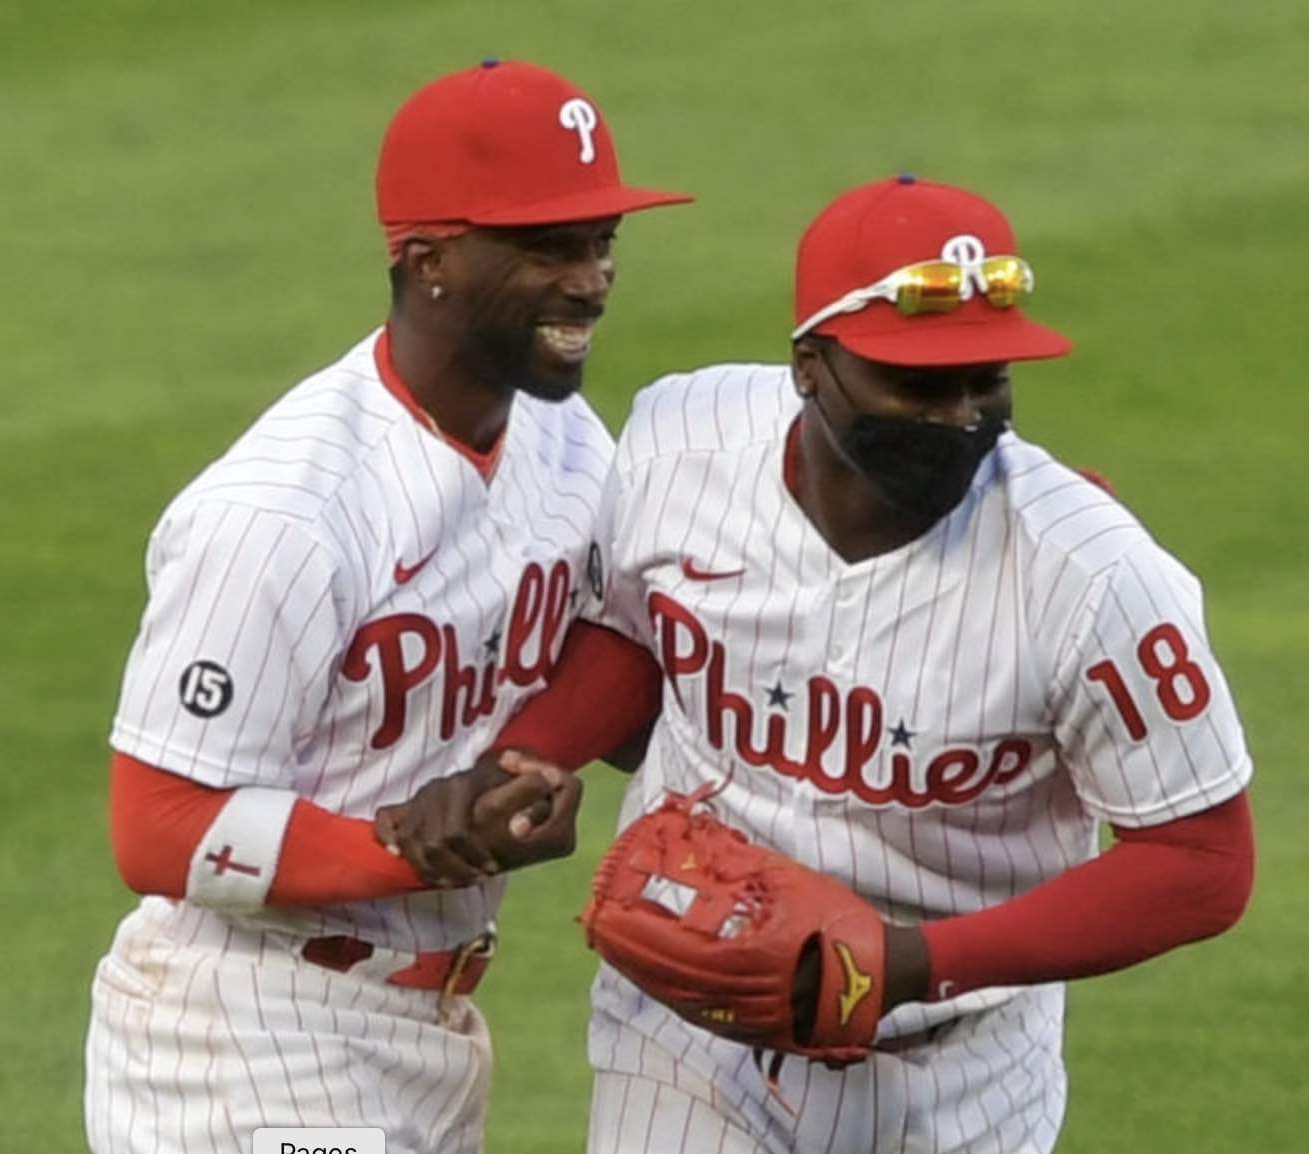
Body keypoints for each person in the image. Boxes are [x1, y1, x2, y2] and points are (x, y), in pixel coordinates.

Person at [496, 175, 1255, 1152]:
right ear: (812, 365)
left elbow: (1202, 861)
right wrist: (536, 751)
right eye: (921, 384)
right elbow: (640, 632)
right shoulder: (683, 439)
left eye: (988, 381)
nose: (960, 416)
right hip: (687, 1041)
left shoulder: (1093, 575)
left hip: (960, 1068)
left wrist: (909, 961)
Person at [84, 60, 688, 1154]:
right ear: (429, 260)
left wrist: (534, 761)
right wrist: (416, 847)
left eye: (602, 242)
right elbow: (157, 823)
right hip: (244, 1026)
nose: (592, 280)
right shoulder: (285, 513)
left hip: (428, 1030)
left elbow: (626, 633)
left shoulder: (562, 438)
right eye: (548, 247)